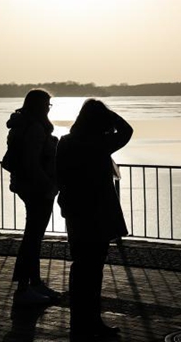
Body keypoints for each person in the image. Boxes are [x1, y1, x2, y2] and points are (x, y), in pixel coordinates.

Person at [56, 99, 133, 339]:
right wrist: (112, 116)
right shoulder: (100, 143)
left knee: (80, 267)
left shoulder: (66, 142)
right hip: (97, 213)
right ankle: (91, 321)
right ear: (100, 122)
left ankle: (79, 321)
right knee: (94, 268)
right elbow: (128, 131)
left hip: (75, 212)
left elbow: (59, 176)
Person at [6, 89, 60, 305]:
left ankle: (34, 282)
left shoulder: (20, 125)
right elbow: (32, 162)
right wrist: (49, 185)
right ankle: (24, 286)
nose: (49, 107)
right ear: (39, 105)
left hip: (25, 185)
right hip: (37, 188)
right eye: (47, 104)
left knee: (33, 236)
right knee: (33, 237)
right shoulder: (35, 128)